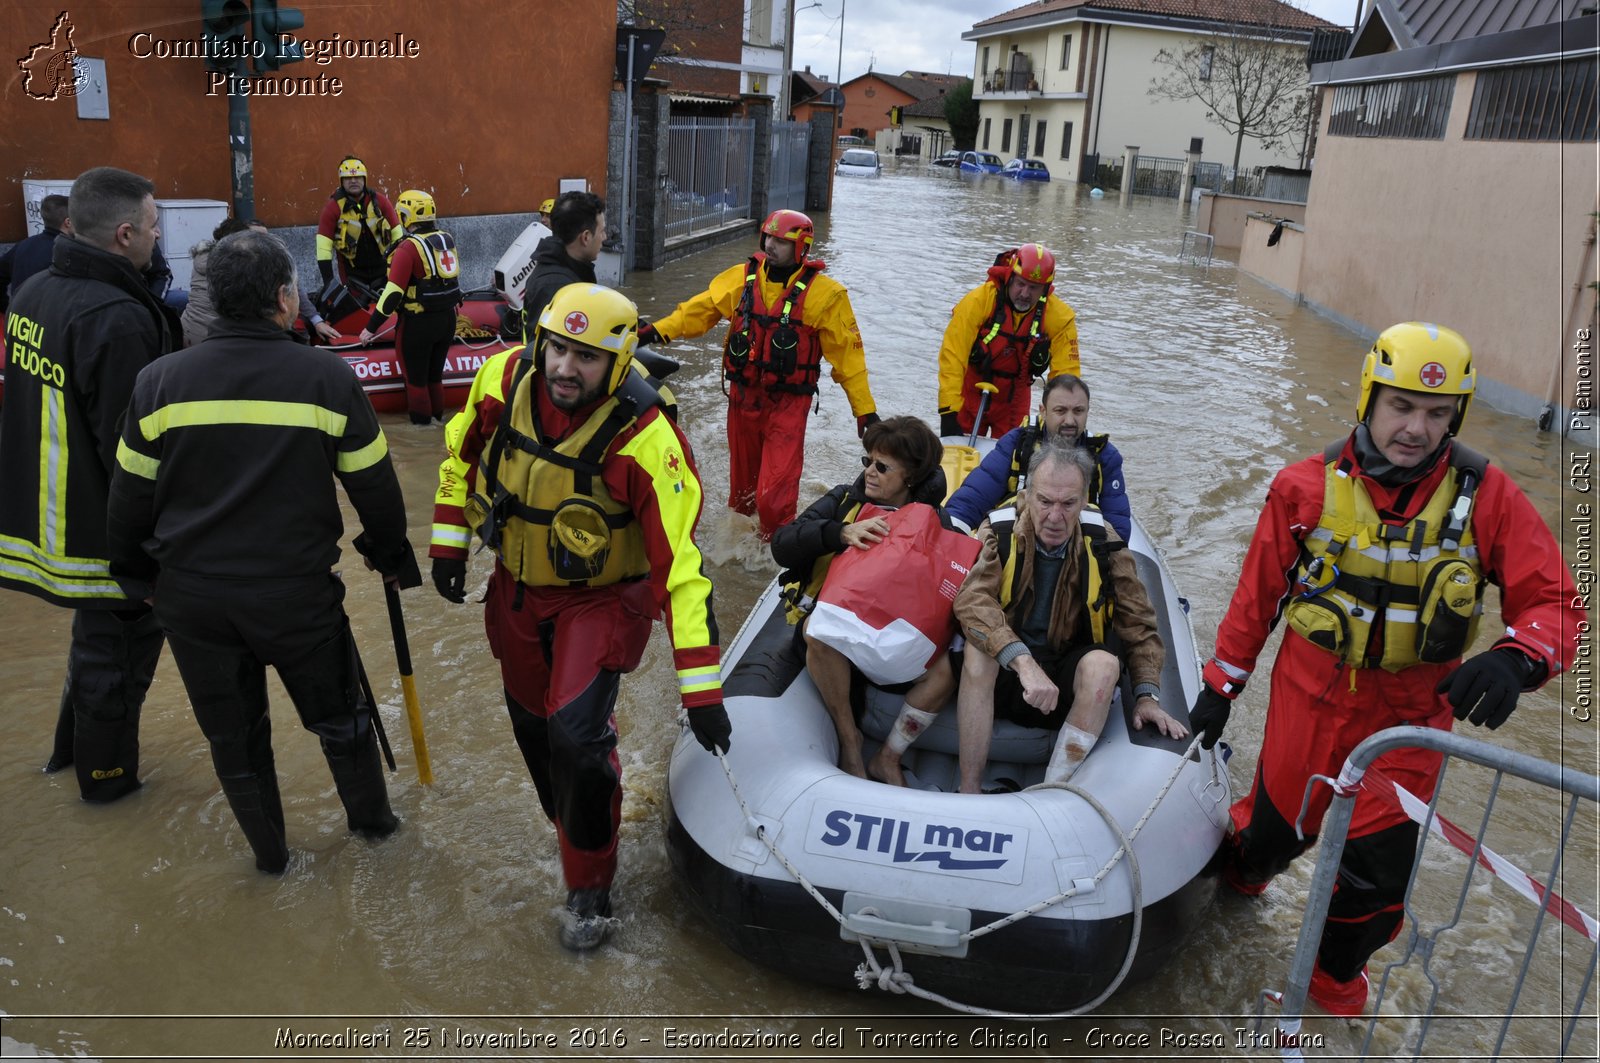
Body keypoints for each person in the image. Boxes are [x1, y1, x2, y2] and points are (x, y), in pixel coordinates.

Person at [1188, 322, 1580, 1016]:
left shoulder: (1488, 497)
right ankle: (1231, 908)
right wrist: (1220, 687)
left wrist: (1517, 659)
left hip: (1408, 721)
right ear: (1369, 397)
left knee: (1375, 886)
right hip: (1307, 702)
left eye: (1436, 414)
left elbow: (1552, 601)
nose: (1416, 428)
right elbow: (1256, 600)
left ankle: (1329, 996)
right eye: (1401, 406)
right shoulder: (1302, 487)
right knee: (1263, 846)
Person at [104, 229, 418, 872]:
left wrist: (136, 576)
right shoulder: (326, 378)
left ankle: (272, 862)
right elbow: (376, 489)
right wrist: (390, 557)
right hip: (296, 597)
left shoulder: (158, 383)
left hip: (192, 600)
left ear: (213, 302)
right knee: (340, 720)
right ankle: (377, 836)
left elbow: (127, 500)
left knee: (234, 739)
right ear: (284, 297)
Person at [430, 282, 730, 951]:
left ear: (619, 363)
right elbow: (459, 455)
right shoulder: (503, 378)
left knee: (575, 737)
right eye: (558, 348)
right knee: (537, 735)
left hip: (600, 600)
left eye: (587, 357)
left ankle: (591, 886)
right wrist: (449, 540)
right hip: (516, 588)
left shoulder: (647, 439)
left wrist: (701, 690)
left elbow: (682, 569)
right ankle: (573, 815)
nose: (566, 368)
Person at [0, 166, 172, 800]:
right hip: (99, 527)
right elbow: (135, 452)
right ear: (125, 234)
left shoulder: (35, 290)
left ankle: (66, 760)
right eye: (154, 227)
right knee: (117, 660)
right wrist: (151, 555)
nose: (159, 238)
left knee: (95, 646)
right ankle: (107, 789)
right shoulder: (118, 318)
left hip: (43, 518)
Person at [953, 440, 1186, 794]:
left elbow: (1138, 622)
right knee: (977, 650)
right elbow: (972, 602)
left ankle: (1052, 792)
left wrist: (1146, 694)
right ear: (1028, 494)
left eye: (1068, 504)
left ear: (1084, 500)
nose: (1055, 517)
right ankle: (968, 791)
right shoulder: (997, 533)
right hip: (1007, 671)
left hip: (1062, 674)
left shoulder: (1104, 543)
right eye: (1045, 501)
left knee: (1105, 665)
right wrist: (1023, 662)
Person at [638, 209, 879, 539]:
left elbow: (849, 359)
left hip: (789, 404)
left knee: (773, 499)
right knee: (741, 498)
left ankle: (778, 546)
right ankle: (744, 555)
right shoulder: (741, 280)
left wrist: (865, 411)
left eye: (781, 240)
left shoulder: (827, 297)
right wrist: (656, 331)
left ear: (802, 248)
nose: (771, 245)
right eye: (768, 237)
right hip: (744, 397)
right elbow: (699, 311)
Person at [771, 416, 953, 783]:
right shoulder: (842, 501)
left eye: (882, 467)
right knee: (817, 633)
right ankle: (849, 742)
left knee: (951, 668)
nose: (870, 472)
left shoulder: (935, 521)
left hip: (895, 636)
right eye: (867, 461)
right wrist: (840, 533)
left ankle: (889, 755)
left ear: (911, 477)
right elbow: (782, 545)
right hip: (836, 626)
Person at [945, 373, 1131, 539]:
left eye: (1078, 411)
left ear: (1087, 411)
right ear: (1043, 411)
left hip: (1077, 550)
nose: (1070, 420)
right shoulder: (1017, 444)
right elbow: (975, 496)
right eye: (1060, 411)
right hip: (1018, 541)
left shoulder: (1105, 456)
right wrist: (951, 533)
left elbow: (1117, 525)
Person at [937, 244, 1080, 439]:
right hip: (970, 393)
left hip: (1015, 399)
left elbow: (1067, 375)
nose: (1025, 294)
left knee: (1012, 460)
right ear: (1010, 277)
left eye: (1033, 288)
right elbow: (952, 357)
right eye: (1020, 284)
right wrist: (948, 410)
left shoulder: (1060, 318)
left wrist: (1061, 420)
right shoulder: (978, 301)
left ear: (1045, 289)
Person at [358, 190, 463, 425]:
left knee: (416, 381)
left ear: (405, 215)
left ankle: (422, 435)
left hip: (418, 324)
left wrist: (371, 327)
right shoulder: (446, 239)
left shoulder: (408, 248)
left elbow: (393, 292)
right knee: (435, 377)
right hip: (447, 319)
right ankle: (438, 424)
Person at [184, 218, 339, 347]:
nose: (263, 244)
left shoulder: (205, 258)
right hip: (216, 338)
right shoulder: (243, 267)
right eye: (256, 239)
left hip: (189, 329)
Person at [519, 190, 605, 339]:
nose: (604, 237)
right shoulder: (555, 287)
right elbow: (545, 352)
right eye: (602, 231)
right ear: (586, 237)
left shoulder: (570, 270)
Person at [315, 155, 401, 292]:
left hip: (384, 273)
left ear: (364, 179)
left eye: (358, 177)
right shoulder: (333, 208)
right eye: (348, 178)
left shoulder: (380, 201)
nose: (353, 181)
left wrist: (398, 271)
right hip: (353, 278)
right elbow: (323, 249)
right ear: (341, 181)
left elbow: (398, 236)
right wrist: (329, 283)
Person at [0, 193, 68, 316]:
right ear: (68, 222)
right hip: (49, 325)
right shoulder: (67, 253)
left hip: (19, 324)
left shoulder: (22, 245)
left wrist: (7, 309)